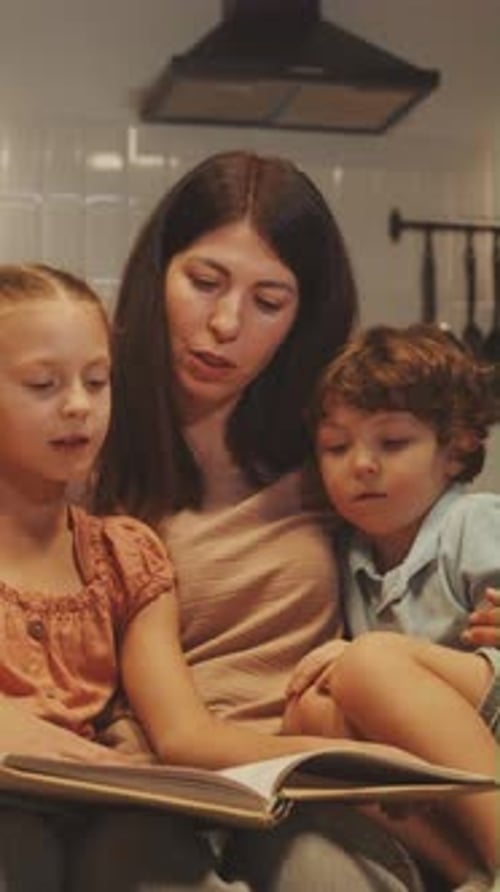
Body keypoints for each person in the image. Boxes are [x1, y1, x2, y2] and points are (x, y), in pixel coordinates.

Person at [0, 261, 391, 891]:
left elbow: (184, 734)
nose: (78, 406)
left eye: (97, 382)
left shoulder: (124, 556)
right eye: (43, 384)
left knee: (140, 845)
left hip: (105, 811)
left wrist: (361, 767)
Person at [93, 150, 425, 891]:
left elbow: (432, 571)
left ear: (303, 317)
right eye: (204, 281)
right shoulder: (85, 428)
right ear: (157, 274)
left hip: (311, 784)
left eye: (269, 301)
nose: (224, 323)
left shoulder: (336, 449)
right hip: (135, 790)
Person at [285, 324, 500, 892]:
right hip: (447, 755)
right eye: (337, 447)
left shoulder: (471, 522)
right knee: (311, 715)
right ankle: (471, 874)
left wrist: (366, 656)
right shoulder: (349, 553)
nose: (361, 464)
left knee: (365, 661)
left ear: (456, 450)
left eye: (393, 443)